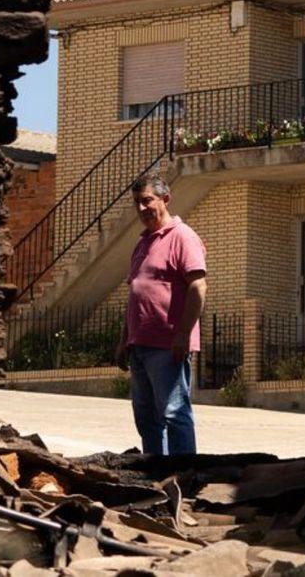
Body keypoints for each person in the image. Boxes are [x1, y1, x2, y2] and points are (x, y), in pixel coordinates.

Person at [115, 173, 207, 455]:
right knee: (146, 418)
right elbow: (136, 294)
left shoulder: (182, 237)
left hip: (167, 346)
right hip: (139, 346)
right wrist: (124, 340)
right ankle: (155, 475)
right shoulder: (143, 243)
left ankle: (185, 474)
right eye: (137, 203)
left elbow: (198, 286)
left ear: (165, 199)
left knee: (174, 412)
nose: (142, 209)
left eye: (147, 201)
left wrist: (182, 334)